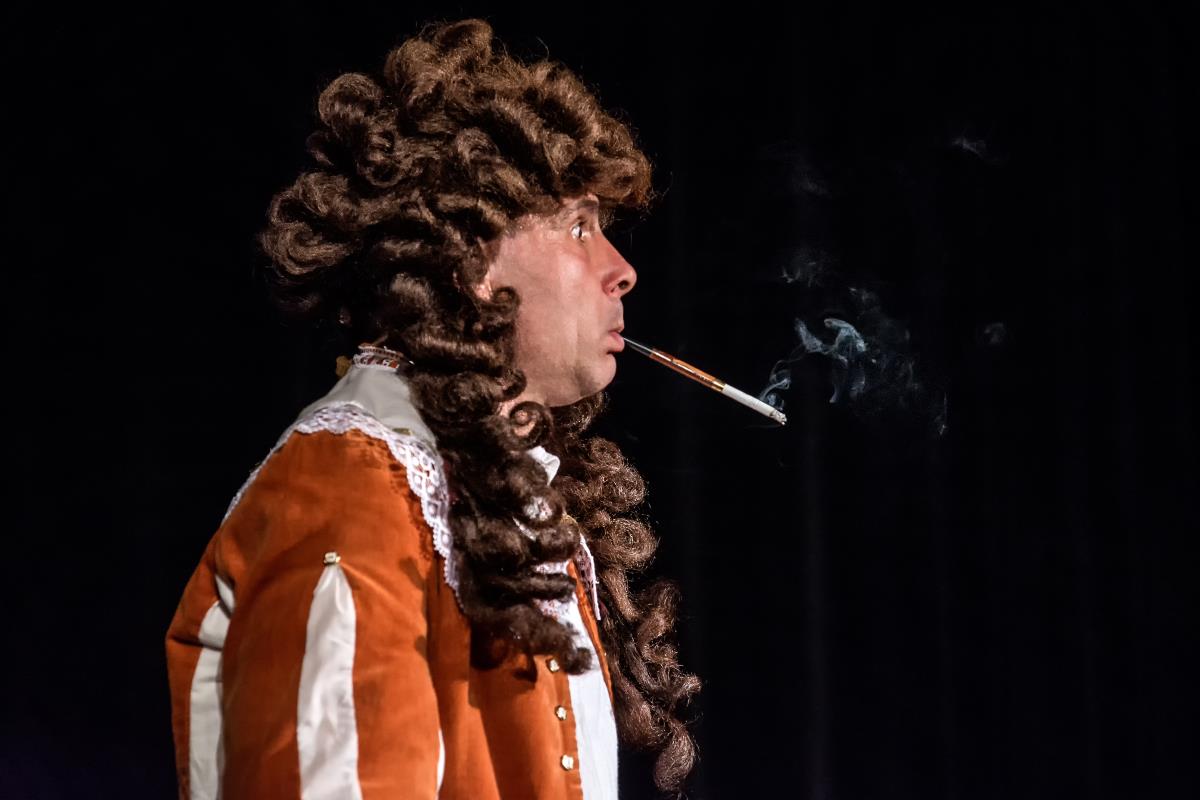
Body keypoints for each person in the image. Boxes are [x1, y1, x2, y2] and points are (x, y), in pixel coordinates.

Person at [164, 17, 702, 800]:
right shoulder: (354, 493)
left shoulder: (474, 488)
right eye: (580, 227)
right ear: (473, 257)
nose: (622, 270)